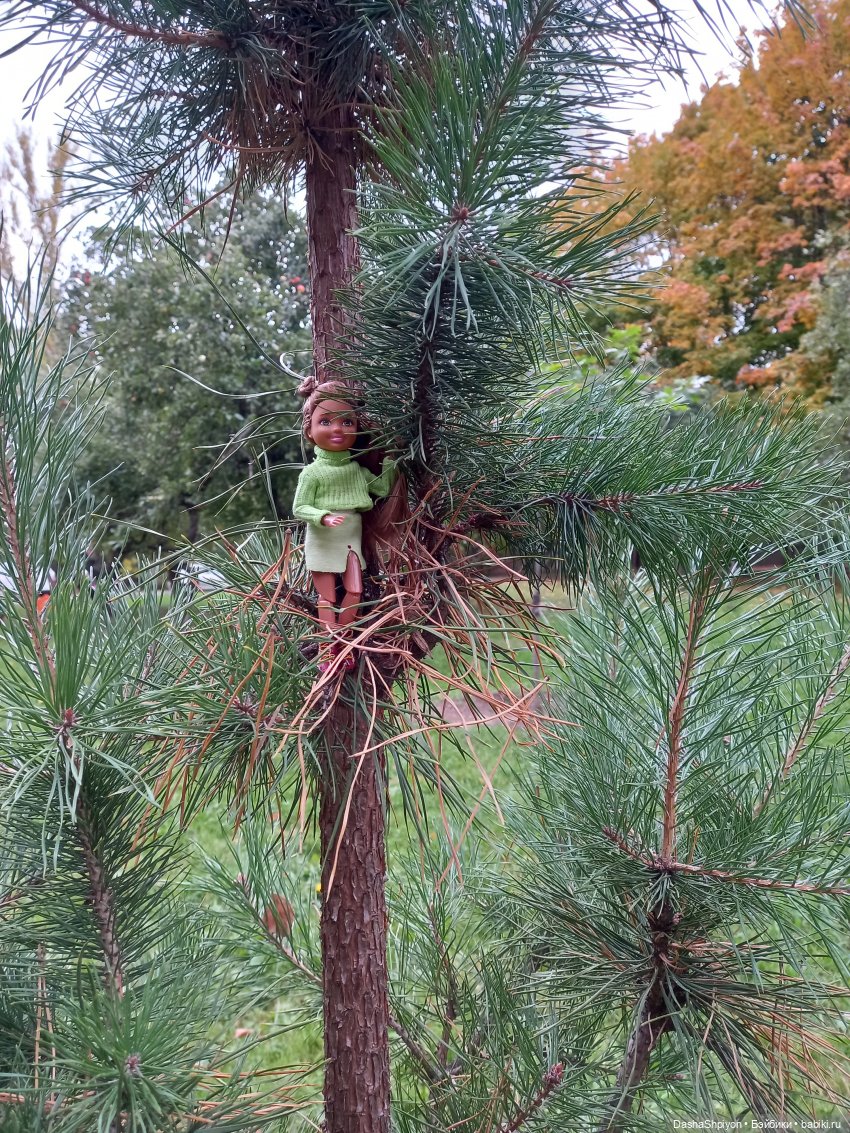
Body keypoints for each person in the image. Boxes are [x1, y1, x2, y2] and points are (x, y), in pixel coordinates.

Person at [292, 380, 400, 672]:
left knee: (354, 591)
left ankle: (344, 639)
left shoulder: (356, 470)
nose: (337, 429)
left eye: (347, 421)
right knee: (326, 598)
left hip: (350, 539)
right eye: (325, 421)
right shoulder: (312, 473)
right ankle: (330, 649)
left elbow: (380, 488)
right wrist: (323, 517)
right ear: (309, 430)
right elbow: (300, 507)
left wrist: (392, 459)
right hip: (323, 538)